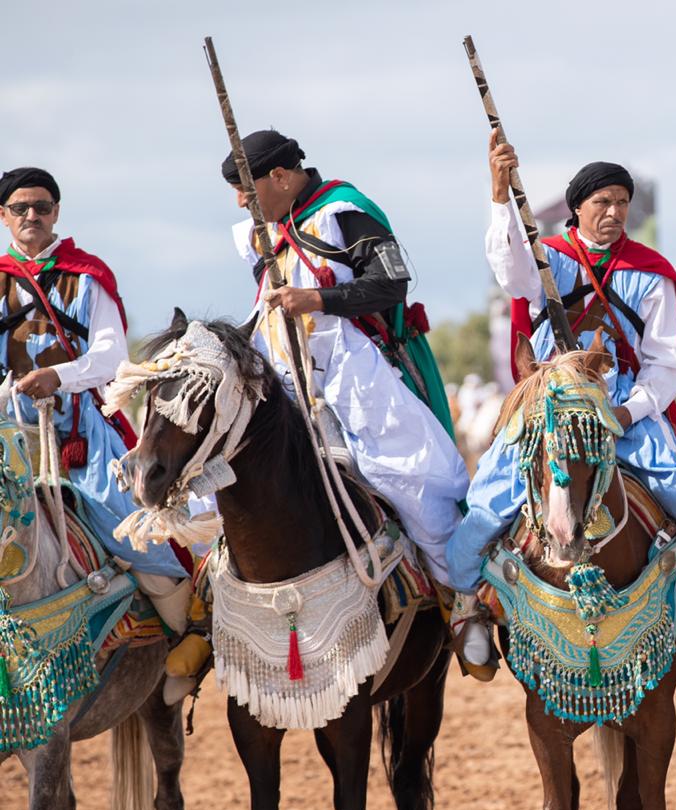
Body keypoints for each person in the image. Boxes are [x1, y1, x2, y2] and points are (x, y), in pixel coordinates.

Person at [445, 132, 676, 662]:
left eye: (622, 203)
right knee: (491, 498)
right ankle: (471, 605)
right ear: (576, 208)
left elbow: (667, 366)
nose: (614, 212)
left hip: (621, 403)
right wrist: (499, 194)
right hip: (551, 403)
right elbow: (508, 267)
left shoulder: (652, 275)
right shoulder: (546, 262)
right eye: (602, 202)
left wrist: (626, 413)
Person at [220, 131, 468, 582]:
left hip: (360, 373)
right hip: (281, 376)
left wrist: (317, 298)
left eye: (244, 189)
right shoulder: (260, 234)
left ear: (279, 176)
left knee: (413, 480)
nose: (239, 202)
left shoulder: (345, 212)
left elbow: (391, 285)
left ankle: (460, 596)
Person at [0, 167, 197, 700]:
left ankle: (191, 633)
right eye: (20, 208)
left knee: (126, 526)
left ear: (56, 212)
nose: (31, 217)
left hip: (78, 429)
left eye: (41, 206)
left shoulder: (85, 276)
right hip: (8, 429)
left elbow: (111, 356)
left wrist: (56, 377)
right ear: (4, 216)